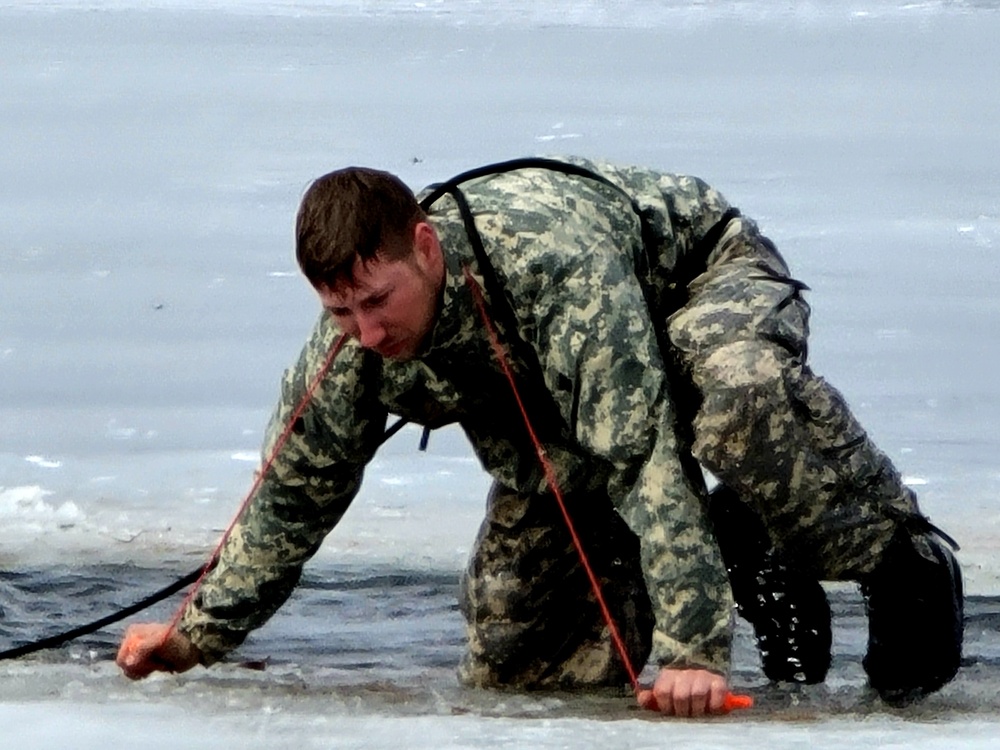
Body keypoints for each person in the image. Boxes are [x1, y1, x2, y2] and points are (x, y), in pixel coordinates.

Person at [117, 157, 964, 715]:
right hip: (563, 416)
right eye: (340, 310)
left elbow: (639, 456)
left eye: (378, 302)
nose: (366, 330)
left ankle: (896, 561)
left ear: (424, 247)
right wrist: (197, 634)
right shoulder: (350, 347)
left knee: (734, 391)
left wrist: (692, 651)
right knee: (522, 673)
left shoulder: (554, 266)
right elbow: (293, 492)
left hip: (694, 285)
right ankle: (730, 540)